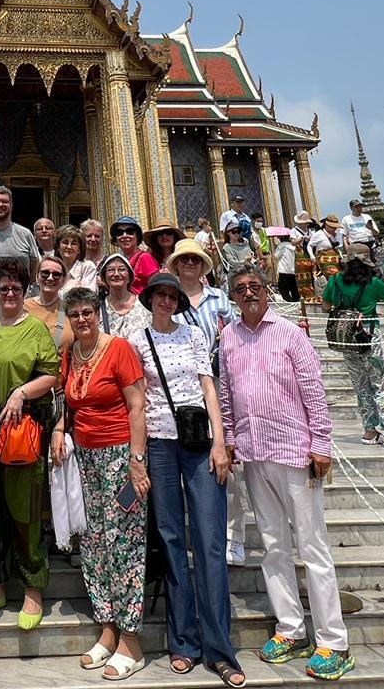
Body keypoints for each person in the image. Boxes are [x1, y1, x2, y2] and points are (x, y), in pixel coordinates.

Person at [218, 267, 353, 681]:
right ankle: (290, 629)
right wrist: (228, 436)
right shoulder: (228, 338)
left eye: (254, 287)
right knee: (274, 546)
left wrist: (321, 444)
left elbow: (313, 388)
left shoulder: (290, 333)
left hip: (295, 451)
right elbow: (226, 393)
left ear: (266, 290)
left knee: (312, 547)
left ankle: (333, 640)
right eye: (240, 290)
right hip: (255, 452)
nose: (248, 294)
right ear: (233, 297)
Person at [129, 272, 239, 685]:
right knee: (172, 541)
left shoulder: (193, 335)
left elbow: (208, 389)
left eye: (172, 296)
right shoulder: (138, 342)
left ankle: (220, 648)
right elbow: (137, 401)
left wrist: (220, 443)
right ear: (150, 299)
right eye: (159, 295)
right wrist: (136, 456)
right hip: (159, 444)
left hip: (198, 443)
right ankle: (183, 641)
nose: (166, 302)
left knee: (210, 542)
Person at [50, 286, 150, 681]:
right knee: (93, 542)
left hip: (120, 455)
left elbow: (137, 404)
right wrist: (59, 428)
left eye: (88, 312)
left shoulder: (119, 348)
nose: (82, 320)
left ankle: (131, 638)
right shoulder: (71, 354)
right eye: (74, 315)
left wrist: (137, 462)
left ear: (98, 313)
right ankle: (107, 626)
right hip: (85, 459)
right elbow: (64, 399)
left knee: (124, 543)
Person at [0, 259, 60, 628]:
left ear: (26, 292)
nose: (9, 294)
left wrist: (20, 392)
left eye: (16, 289)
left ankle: (32, 588)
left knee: (25, 512)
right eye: (4, 288)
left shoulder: (36, 329)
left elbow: (51, 375)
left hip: (23, 433)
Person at [167, 238, 241, 563]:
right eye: (184, 260)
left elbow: (235, 336)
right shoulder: (168, 301)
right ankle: (193, 533)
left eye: (195, 261)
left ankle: (233, 537)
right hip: (185, 393)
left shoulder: (219, 298)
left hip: (219, 383)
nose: (189, 265)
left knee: (226, 463)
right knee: (191, 467)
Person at [323, 247, 384, 448]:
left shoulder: (335, 280)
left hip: (346, 337)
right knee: (380, 385)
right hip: (369, 334)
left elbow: (326, 306)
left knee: (361, 386)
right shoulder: (373, 283)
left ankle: (370, 430)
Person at [20, 254, 74, 351]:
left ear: (63, 280)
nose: (50, 278)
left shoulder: (69, 309)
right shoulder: (22, 307)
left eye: (56, 275)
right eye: (45, 273)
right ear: (37, 276)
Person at [0, 185, 40, 267]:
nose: (0, 204)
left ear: (11, 206)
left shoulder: (25, 234)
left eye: (5, 202)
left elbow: (34, 264)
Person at [97, 251, 148, 341]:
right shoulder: (98, 308)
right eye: (111, 270)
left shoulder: (144, 304)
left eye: (121, 269)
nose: (116, 274)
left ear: (130, 276)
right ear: (104, 277)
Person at [110, 215, 157, 293]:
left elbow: (156, 286)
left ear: (137, 236)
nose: (124, 236)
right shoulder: (119, 260)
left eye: (130, 231)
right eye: (119, 233)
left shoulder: (145, 258)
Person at [58, 223, 99, 290]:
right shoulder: (53, 268)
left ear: (79, 249)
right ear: (58, 247)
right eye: (65, 242)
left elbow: (87, 297)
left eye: (74, 244)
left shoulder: (87, 267)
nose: (69, 247)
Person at [271, 227, 298, 302]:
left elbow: (276, 256)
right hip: (292, 270)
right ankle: (296, 301)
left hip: (284, 270)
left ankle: (289, 302)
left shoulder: (281, 245)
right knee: (294, 288)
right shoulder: (293, 246)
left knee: (283, 288)